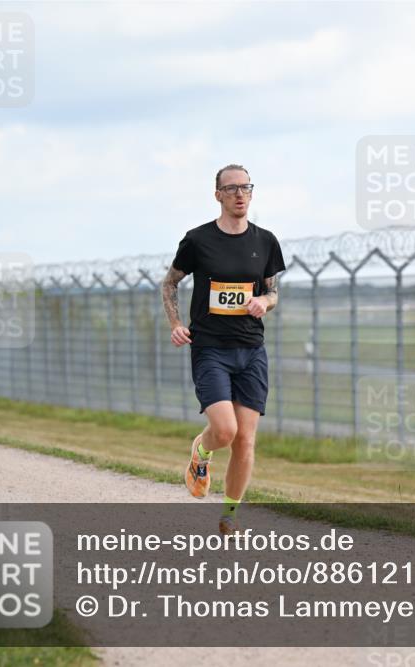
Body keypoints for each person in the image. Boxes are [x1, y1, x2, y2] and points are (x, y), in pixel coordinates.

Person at [161, 163, 286, 535]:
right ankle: (200, 452)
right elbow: (169, 284)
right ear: (217, 195)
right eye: (231, 189)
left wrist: (266, 301)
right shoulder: (198, 240)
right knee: (225, 431)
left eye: (245, 187)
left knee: (246, 439)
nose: (239, 194)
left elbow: (273, 290)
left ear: (252, 192)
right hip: (211, 349)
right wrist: (176, 324)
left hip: (251, 349)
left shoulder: (265, 241)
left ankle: (229, 513)